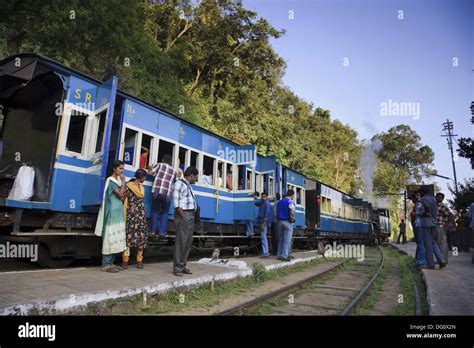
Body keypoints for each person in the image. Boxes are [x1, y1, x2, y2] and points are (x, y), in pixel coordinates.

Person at [94, 160, 127, 273]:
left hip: (118, 212)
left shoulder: (117, 181)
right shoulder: (111, 180)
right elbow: (120, 195)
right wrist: (123, 183)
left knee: (116, 238)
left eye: (122, 168)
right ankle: (105, 264)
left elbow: (123, 197)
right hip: (112, 213)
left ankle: (111, 263)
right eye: (120, 168)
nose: (121, 170)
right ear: (114, 169)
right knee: (109, 237)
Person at [172, 166, 199, 276]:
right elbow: (177, 204)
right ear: (191, 176)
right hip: (184, 215)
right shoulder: (179, 184)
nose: (196, 180)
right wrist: (183, 217)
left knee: (187, 242)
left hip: (190, 215)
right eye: (195, 177)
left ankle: (182, 266)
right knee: (181, 242)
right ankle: (177, 268)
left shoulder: (188, 185)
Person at [121, 169, 148, 269]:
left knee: (139, 237)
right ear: (140, 177)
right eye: (144, 177)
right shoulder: (129, 186)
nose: (145, 179)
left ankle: (138, 260)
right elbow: (123, 198)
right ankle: (125, 260)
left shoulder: (141, 187)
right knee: (129, 237)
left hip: (138, 215)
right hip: (132, 215)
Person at [148, 154, 177, 239]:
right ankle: (162, 232)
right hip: (167, 194)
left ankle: (153, 231)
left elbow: (150, 173)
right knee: (165, 212)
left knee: (155, 211)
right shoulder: (174, 171)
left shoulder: (159, 165)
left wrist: (150, 168)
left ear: (163, 160)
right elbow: (176, 180)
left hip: (156, 191)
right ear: (170, 162)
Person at [420, 187, 446, 269]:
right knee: (433, 242)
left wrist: (424, 213)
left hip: (426, 223)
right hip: (434, 223)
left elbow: (425, 208)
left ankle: (430, 264)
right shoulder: (433, 199)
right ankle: (441, 260)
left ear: (422, 192)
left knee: (428, 244)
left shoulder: (423, 199)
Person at [246, 192, 273, 258]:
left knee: (263, 237)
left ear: (266, 197)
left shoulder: (267, 204)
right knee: (250, 220)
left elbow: (266, 215)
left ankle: (266, 253)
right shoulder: (262, 202)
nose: (263, 198)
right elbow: (255, 203)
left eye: (264, 197)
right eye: (262, 197)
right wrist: (253, 197)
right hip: (259, 220)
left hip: (263, 222)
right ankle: (250, 232)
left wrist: (264, 224)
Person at [276, 190, 296, 262]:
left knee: (281, 239)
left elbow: (276, 211)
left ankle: (279, 255)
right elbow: (292, 210)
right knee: (287, 240)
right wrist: (292, 219)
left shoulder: (280, 202)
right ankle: (284, 256)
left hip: (279, 222)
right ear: (292, 195)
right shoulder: (290, 201)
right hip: (287, 222)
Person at [435, 192, 452, 264]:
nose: (438, 198)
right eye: (437, 197)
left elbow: (450, 215)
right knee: (437, 243)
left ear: (442, 199)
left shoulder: (443, 206)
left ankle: (444, 260)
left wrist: (446, 224)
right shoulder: (435, 205)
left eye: (440, 197)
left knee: (442, 243)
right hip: (435, 226)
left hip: (440, 226)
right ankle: (439, 259)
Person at [411, 192, 426, 266]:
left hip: (420, 224)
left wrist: (415, 214)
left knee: (421, 243)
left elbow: (425, 213)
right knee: (419, 243)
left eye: (417, 195)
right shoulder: (416, 204)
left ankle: (421, 260)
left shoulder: (421, 204)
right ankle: (418, 258)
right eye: (415, 196)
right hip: (417, 225)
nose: (415, 197)